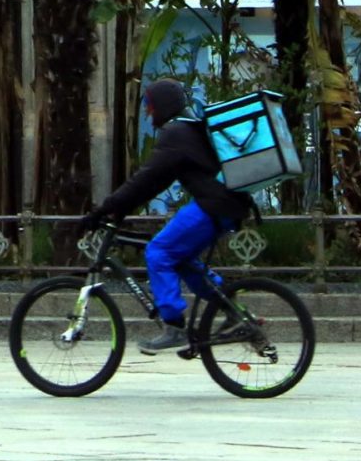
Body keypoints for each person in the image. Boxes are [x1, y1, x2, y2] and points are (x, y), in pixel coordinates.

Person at [80, 79, 256, 356]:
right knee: (182, 259)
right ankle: (233, 310)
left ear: (163, 105)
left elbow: (145, 178)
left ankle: (174, 327)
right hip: (225, 205)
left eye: (150, 107)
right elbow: (155, 183)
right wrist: (121, 208)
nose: (149, 114)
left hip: (214, 205)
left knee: (159, 251)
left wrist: (105, 207)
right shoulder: (186, 130)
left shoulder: (176, 133)